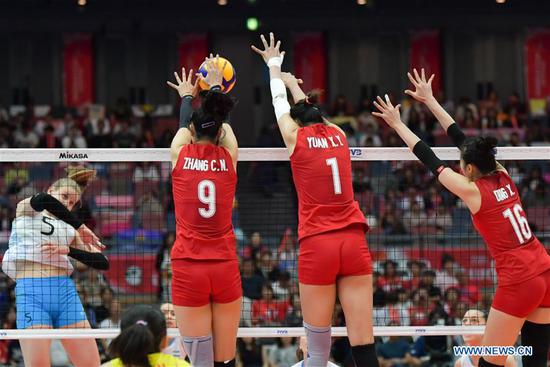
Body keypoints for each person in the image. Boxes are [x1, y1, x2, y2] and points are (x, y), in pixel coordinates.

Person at [373, 68, 550, 367]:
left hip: (519, 280)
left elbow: (428, 157)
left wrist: (397, 124)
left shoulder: (472, 191)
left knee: (489, 361)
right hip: (544, 270)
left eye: (461, 162)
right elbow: (463, 140)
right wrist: (430, 101)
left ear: (468, 169)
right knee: (536, 362)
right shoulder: (503, 174)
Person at [252, 33, 379, 366]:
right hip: (353, 241)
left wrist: (274, 67)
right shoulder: (337, 134)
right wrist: (296, 86)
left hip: (318, 243)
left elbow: (279, 103)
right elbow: (312, 114)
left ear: (297, 122)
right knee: (363, 342)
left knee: (318, 350)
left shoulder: (295, 139)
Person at [167, 55, 241, 367]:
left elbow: (185, 125)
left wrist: (188, 94)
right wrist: (213, 88)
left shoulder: (179, 155)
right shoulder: (229, 156)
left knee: (199, 361)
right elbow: (221, 127)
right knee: (224, 360)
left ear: (192, 134)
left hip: (189, 268)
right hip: (224, 265)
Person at [1, 167, 108, 367]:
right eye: (65, 196)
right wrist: (81, 226)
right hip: (32, 293)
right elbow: (42, 200)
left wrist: (67, 250)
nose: (67, 204)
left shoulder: (68, 230)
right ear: (51, 190)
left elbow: (102, 262)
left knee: (92, 364)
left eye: (72, 203)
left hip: (64, 294)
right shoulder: (26, 210)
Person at [102, 304, 190, 367]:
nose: (169, 316)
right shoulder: (180, 365)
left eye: (173, 314)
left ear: (124, 336)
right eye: (165, 313)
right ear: (164, 341)